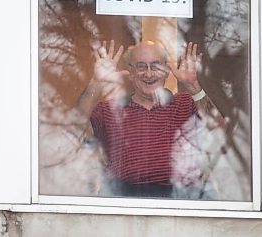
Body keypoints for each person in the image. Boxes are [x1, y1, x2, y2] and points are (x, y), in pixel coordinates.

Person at [76, 40, 226, 198]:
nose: (148, 73)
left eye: (156, 66)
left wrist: (193, 87)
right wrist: (96, 85)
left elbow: (221, 134)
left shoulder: (186, 104)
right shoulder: (109, 110)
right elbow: (73, 130)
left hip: (181, 199)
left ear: (167, 71)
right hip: (123, 200)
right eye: (141, 66)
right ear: (131, 73)